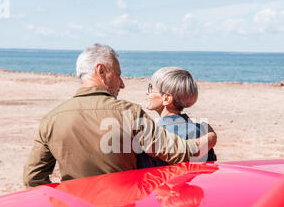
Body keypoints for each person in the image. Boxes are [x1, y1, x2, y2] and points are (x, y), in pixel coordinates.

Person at [23, 44, 217, 188]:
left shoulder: (51, 119)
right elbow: (181, 152)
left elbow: (33, 179)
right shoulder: (129, 113)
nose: (122, 84)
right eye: (118, 74)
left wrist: (66, 198)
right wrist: (209, 137)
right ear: (101, 70)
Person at [137, 67, 217, 169]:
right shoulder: (201, 131)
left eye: (150, 88)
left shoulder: (152, 134)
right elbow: (209, 166)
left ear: (166, 99)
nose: (147, 93)